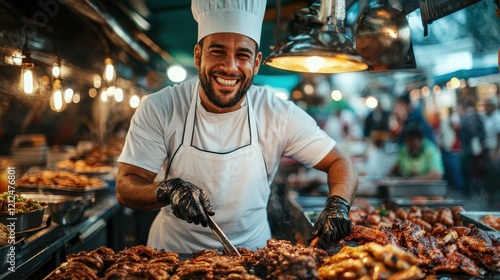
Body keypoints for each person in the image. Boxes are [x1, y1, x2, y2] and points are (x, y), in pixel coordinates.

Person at [115, 0, 358, 253]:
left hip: (252, 257)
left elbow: (340, 162)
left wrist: (338, 205)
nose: (230, 67)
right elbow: (126, 186)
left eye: (242, 55)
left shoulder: (276, 113)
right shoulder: (162, 107)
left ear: (256, 62)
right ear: (198, 56)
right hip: (172, 257)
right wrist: (167, 191)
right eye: (217, 52)